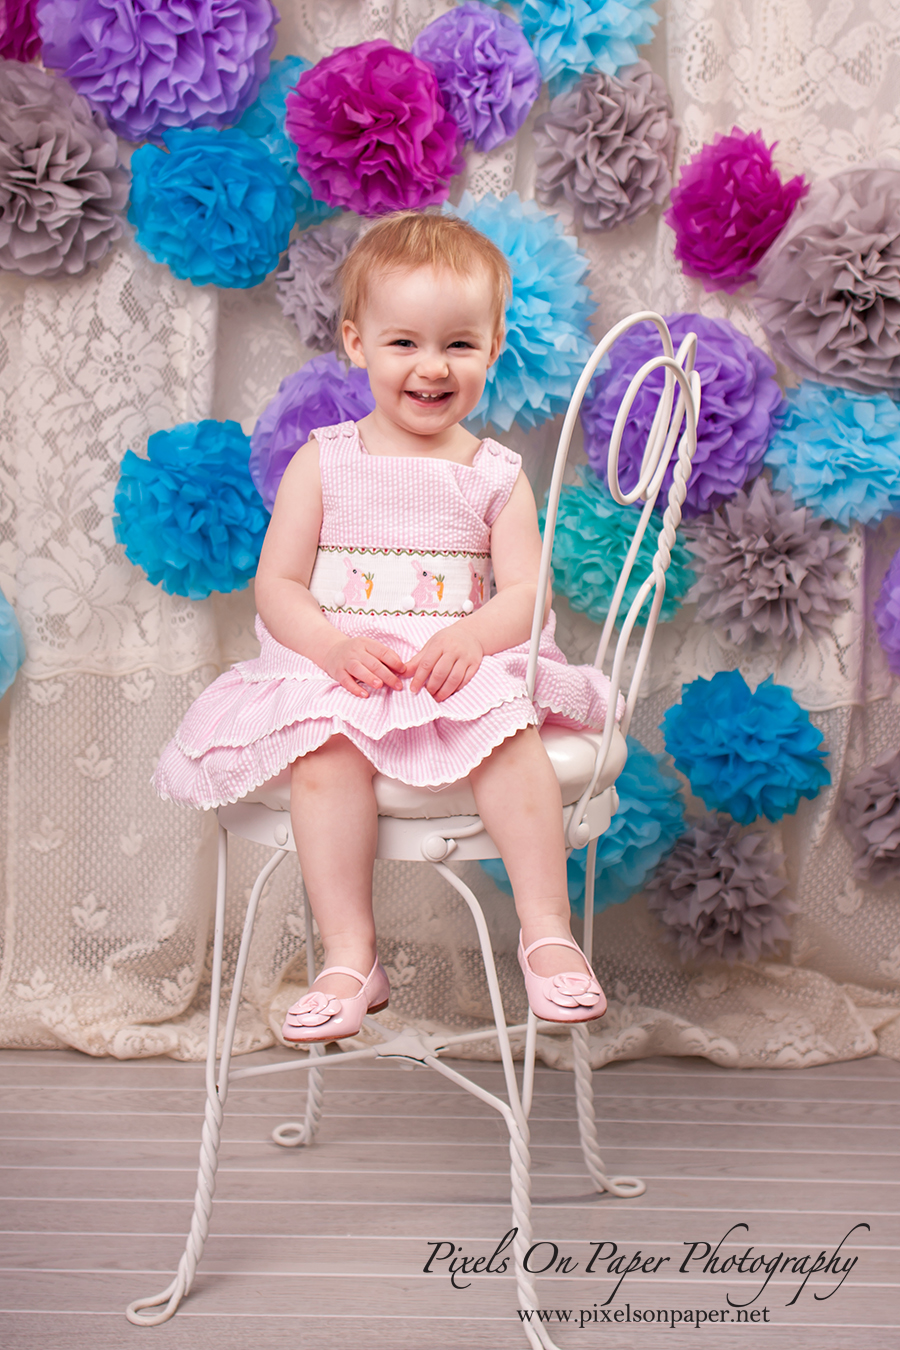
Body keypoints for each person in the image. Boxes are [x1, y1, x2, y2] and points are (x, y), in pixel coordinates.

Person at [154, 211, 621, 1044]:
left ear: (493, 345)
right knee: (324, 761)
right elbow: (279, 584)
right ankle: (350, 956)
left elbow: (528, 596)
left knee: (509, 737)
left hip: (453, 667)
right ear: (356, 341)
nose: (432, 368)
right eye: (403, 343)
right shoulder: (325, 461)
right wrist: (331, 646)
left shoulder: (494, 475)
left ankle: (548, 937)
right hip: (347, 669)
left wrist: (477, 637)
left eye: (459, 345)